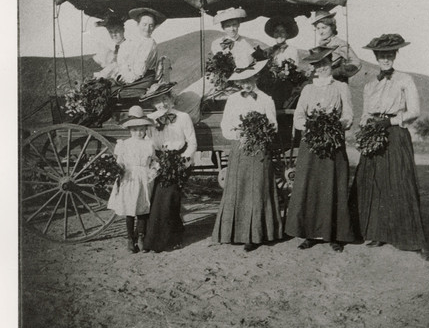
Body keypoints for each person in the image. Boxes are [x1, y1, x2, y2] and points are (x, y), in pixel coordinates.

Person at [349, 33, 429, 262]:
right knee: (374, 182)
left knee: (400, 182)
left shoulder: (405, 79)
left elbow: (414, 111)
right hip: (374, 133)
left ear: (394, 55)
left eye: (389, 55)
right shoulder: (370, 84)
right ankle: (378, 233)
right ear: (376, 57)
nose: (385, 59)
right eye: (381, 56)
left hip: (395, 132)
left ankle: (415, 241)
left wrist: (391, 121)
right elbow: (366, 112)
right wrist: (365, 125)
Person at [284, 46, 358, 252]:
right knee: (311, 185)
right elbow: (298, 117)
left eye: (325, 64)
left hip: (333, 142)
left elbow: (349, 116)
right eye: (318, 65)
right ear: (314, 68)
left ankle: (333, 234)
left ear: (331, 65)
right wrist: (311, 126)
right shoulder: (308, 89)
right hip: (311, 143)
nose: (322, 68)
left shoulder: (341, 87)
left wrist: (336, 125)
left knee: (333, 185)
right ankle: (309, 234)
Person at [212, 58, 283, 252]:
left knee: (258, 188)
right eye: (242, 81)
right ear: (237, 83)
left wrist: (259, 133)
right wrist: (239, 134)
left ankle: (258, 234)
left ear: (256, 77)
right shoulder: (233, 100)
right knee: (239, 187)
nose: (246, 84)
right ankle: (235, 232)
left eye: (249, 79)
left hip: (260, 149)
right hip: (240, 147)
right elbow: (225, 126)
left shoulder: (266, 99)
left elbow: (273, 126)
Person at [139, 82, 197, 252]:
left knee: (168, 196)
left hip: (179, 160)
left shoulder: (183, 117)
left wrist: (183, 160)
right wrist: (154, 164)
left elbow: (192, 142)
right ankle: (174, 232)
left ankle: (169, 240)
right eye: (158, 101)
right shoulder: (150, 120)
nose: (162, 104)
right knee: (159, 198)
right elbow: (148, 144)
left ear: (171, 99)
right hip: (159, 161)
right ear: (153, 104)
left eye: (165, 99)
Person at [175, 7, 255, 123]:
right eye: (228, 26)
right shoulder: (217, 43)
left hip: (238, 78)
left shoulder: (245, 44)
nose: (232, 29)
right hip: (218, 77)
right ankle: (186, 120)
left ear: (238, 25)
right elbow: (219, 62)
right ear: (223, 27)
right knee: (191, 93)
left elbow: (246, 63)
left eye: (234, 25)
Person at [107, 106, 156, 253]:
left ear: (145, 129)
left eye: (141, 129)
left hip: (143, 177)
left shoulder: (149, 144)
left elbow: (154, 160)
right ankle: (130, 238)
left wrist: (153, 170)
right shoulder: (124, 144)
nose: (138, 133)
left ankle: (140, 236)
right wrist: (118, 170)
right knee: (130, 209)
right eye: (135, 130)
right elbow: (120, 162)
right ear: (129, 130)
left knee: (142, 208)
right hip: (129, 177)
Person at [110, 7, 166, 99]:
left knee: (112, 93)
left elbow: (140, 70)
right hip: (130, 78)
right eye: (144, 24)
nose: (147, 28)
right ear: (138, 24)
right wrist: (124, 74)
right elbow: (122, 61)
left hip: (143, 80)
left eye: (151, 25)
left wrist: (127, 79)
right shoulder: (132, 41)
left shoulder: (150, 43)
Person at [257, 16, 302, 109]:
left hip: (285, 84)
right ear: (273, 34)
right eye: (277, 32)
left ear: (287, 34)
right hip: (270, 83)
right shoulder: (270, 51)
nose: (279, 34)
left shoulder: (292, 50)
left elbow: (292, 70)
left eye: (282, 32)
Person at [312, 10, 361, 82]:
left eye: (324, 28)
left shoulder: (340, 44)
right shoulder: (321, 44)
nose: (321, 32)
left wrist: (336, 72)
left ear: (332, 27)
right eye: (318, 28)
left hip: (337, 82)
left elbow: (356, 63)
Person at [92, 13, 128, 80]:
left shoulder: (128, 46)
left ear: (123, 30)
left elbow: (121, 67)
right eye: (111, 32)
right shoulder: (117, 47)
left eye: (116, 31)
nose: (114, 34)